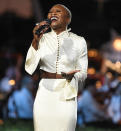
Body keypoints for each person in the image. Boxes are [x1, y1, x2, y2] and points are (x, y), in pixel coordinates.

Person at [25, 4, 88, 131]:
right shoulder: (41, 38)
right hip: (44, 92)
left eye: (58, 11)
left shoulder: (79, 41)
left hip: (66, 92)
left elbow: (83, 72)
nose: (52, 14)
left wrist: (73, 75)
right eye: (50, 12)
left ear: (68, 19)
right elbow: (30, 67)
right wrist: (35, 40)